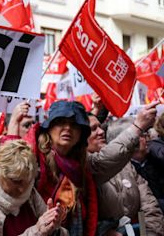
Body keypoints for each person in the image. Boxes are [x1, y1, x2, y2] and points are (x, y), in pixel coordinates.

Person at [8, 100, 157, 236]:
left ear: (81, 134)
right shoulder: (30, 157)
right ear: (49, 128)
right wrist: (13, 125)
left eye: (74, 124)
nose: (67, 128)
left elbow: (108, 158)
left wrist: (137, 127)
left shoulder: (83, 165)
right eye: (60, 122)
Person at [0, 140, 67, 236]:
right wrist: (37, 231)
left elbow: (52, 230)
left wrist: (54, 228)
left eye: (28, 182)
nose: (22, 189)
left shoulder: (29, 192)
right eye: (16, 181)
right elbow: (39, 230)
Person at [91, 117, 164, 236]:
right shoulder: (82, 170)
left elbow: (147, 206)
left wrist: (148, 232)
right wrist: (104, 231)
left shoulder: (126, 165)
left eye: (100, 127)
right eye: (93, 129)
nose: (101, 131)